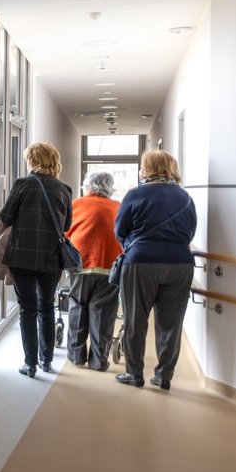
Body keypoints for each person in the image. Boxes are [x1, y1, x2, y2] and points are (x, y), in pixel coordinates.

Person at [113, 150, 198, 390]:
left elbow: (119, 230)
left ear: (148, 169)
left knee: (135, 320)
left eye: (142, 166)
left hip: (141, 262)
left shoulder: (135, 194)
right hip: (180, 263)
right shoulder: (185, 198)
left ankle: (134, 373)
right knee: (172, 323)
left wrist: (134, 243)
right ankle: (163, 376)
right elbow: (190, 231)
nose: (140, 171)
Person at [0, 142, 73, 378]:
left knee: (27, 310)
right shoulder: (64, 189)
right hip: (52, 259)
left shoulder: (23, 184)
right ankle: (47, 361)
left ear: (32, 160)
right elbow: (67, 225)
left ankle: (30, 364)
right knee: (47, 307)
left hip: (22, 258)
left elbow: (6, 217)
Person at [64, 171, 123, 371]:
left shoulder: (77, 204)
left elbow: (65, 233)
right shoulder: (118, 207)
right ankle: (99, 361)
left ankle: (76, 356)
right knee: (103, 313)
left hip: (81, 265)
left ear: (89, 186)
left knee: (78, 307)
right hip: (109, 267)